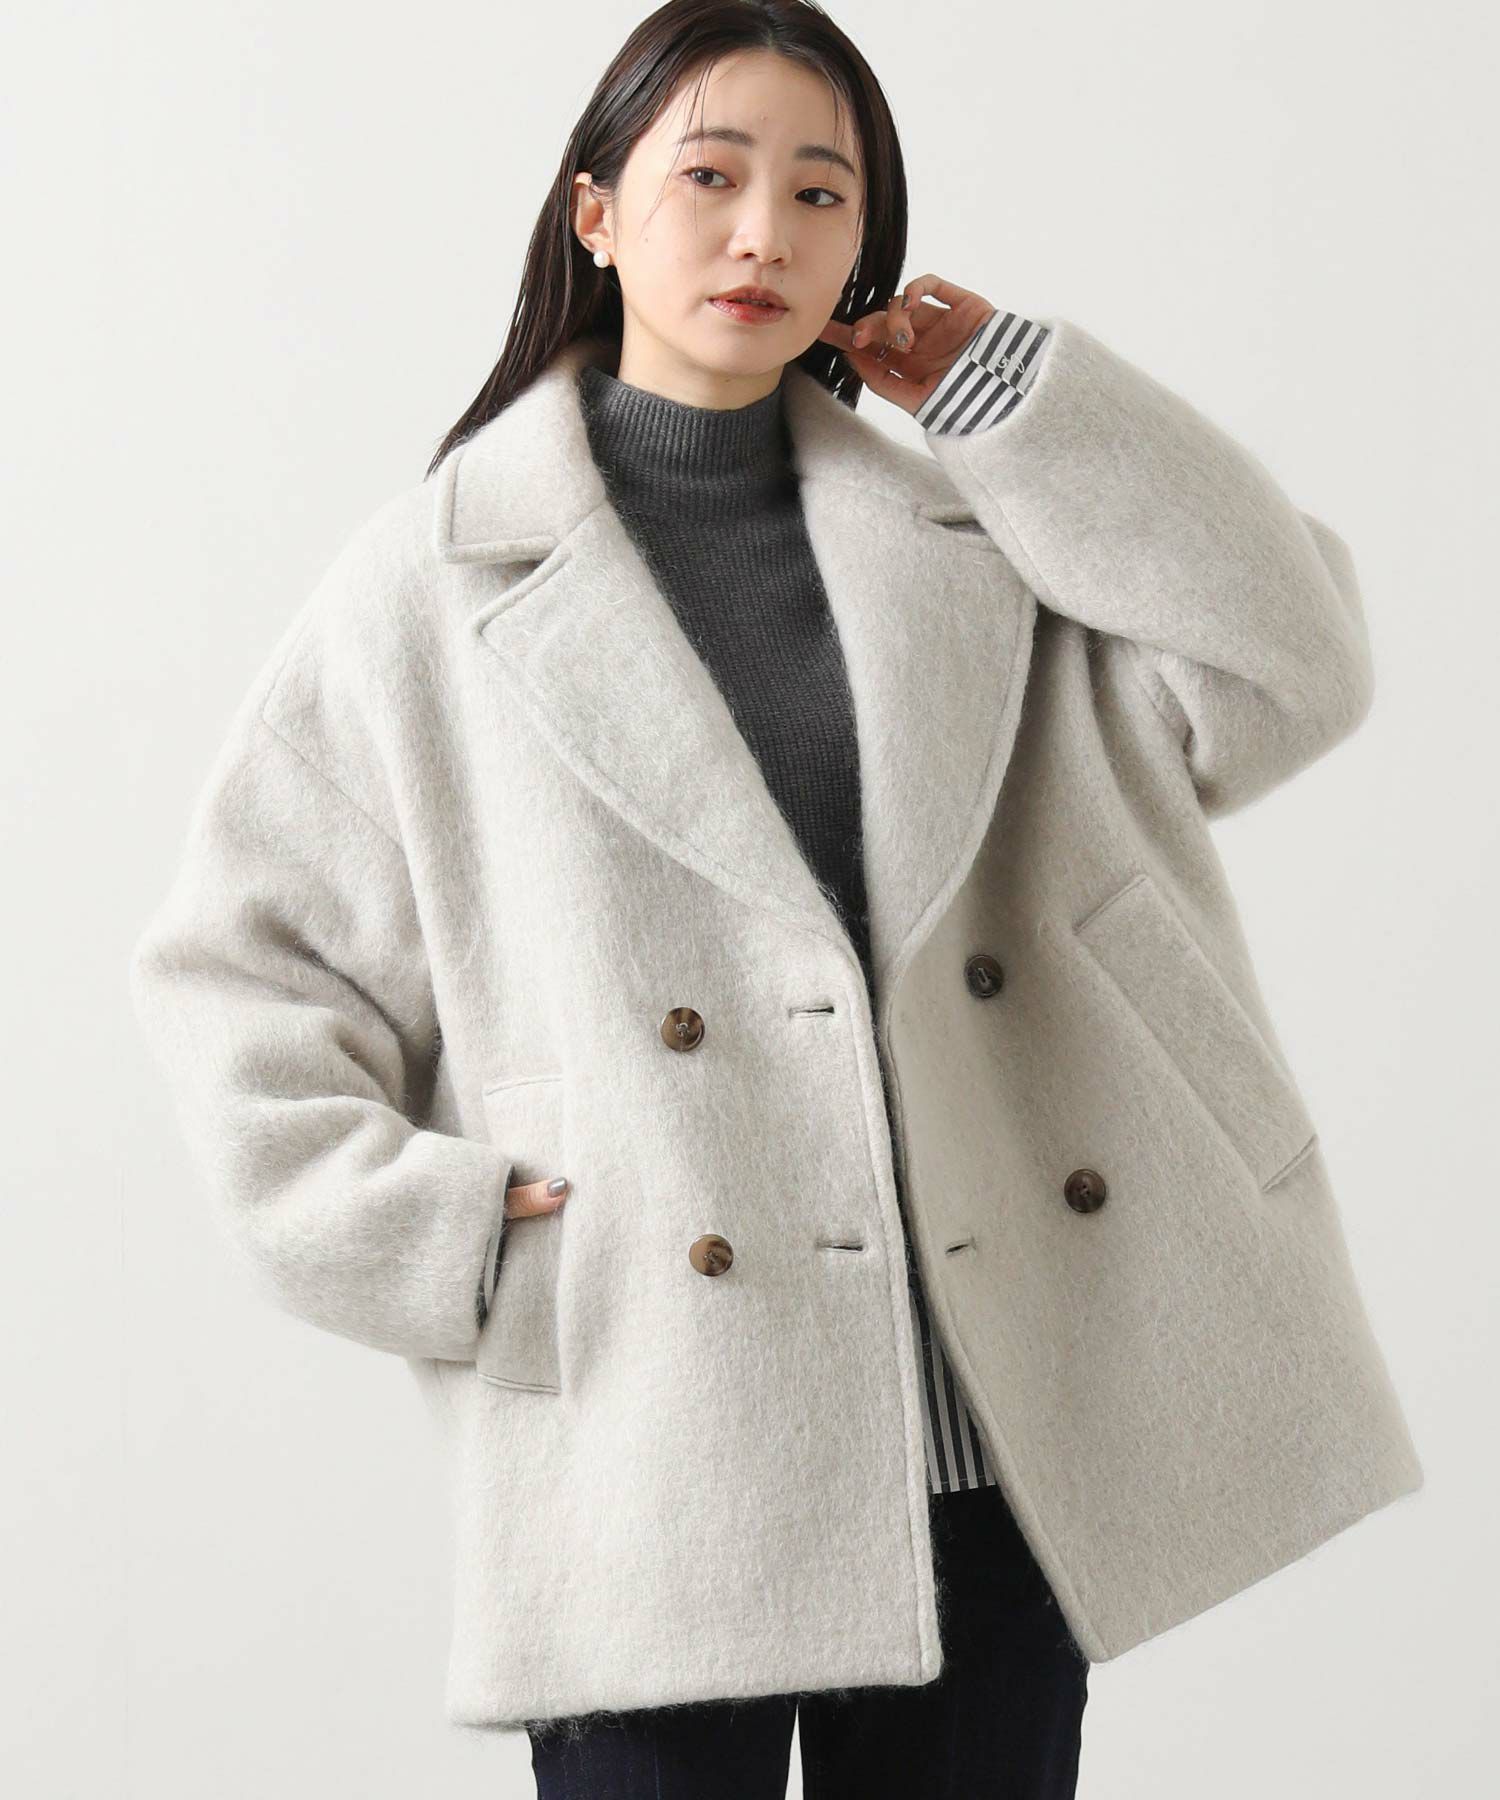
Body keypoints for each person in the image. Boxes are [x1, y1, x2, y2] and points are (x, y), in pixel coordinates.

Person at [129, 2, 1422, 1794]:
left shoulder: (982, 541)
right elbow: (239, 978)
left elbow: (1292, 668)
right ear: (597, 213)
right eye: (711, 177)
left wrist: (1017, 404)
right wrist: (458, 1241)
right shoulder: (427, 589)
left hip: (989, 1430)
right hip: (662, 1425)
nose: (764, 235)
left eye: (822, 193)